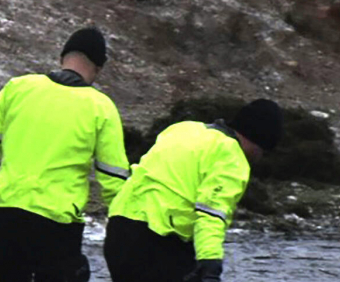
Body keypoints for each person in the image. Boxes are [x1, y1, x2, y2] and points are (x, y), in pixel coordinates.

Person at [0, 27, 129, 282]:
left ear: (63, 57)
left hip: (6, 212)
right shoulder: (101, 107)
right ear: (97, 68)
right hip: (57, 222)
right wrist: (124, 224)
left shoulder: (17, 88)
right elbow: (113, 176)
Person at [102, 99, 284, 282]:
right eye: (263, 151)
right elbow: (211, 215)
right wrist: (210, 264)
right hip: (158, 241)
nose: (260, 158)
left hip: (119, 230)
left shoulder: (184, 129)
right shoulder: (232, 157)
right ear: (258, 142)